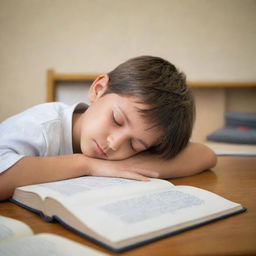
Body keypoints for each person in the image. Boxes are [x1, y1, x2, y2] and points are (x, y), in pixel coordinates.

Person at [0, 56, 216, 200]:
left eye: (134, 144)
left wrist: (134, 164)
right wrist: (87, 165)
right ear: (99, 89)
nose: (115, 143)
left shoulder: (124, 149)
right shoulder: (41, 126)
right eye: (117, 120)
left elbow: (205, 155)